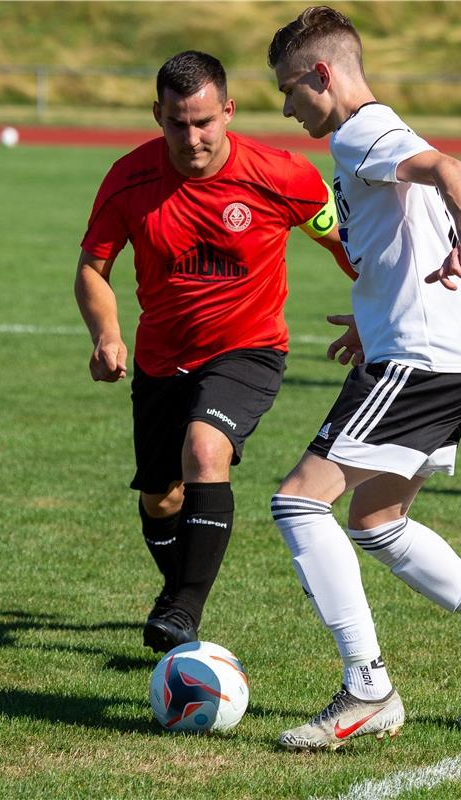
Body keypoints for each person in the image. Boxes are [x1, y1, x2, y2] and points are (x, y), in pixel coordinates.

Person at [267, 6, 461, 751]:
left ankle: (367, 688)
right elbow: (402, 228)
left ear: (321, 76)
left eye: (289, 90)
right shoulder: (369, 134)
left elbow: (452, 172)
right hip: (448, 359)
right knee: (375, 523)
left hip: (423, 363)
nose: (286, 106)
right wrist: (372, 318)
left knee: (299, 504)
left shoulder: (359, 129)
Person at [74, 50, 356, 654]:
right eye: (177, 122)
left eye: (204, 121)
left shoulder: (283, 175)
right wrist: (106, 333)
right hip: (159, 358)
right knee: (161, 495)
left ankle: (183, 609)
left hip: (248, 350)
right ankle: (178, 598)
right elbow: (93, 268)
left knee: (206, 448)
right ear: (158, 114)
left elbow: (344, 246)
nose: (192, 136)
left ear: (228, 111)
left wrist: (377, 317)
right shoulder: (129, 179)